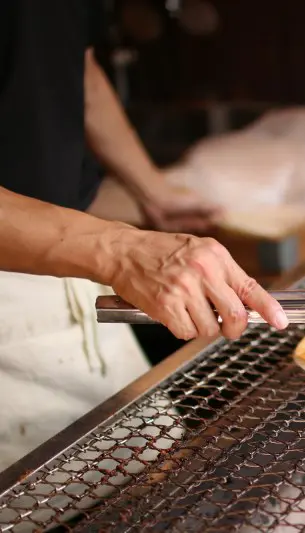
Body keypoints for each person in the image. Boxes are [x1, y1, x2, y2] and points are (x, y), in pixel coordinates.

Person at [0, 1, 288, 471]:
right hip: (15, 282)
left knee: (154, 467)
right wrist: (121, 250)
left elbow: (71, 65)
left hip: (75, 263)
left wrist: (152, 188)